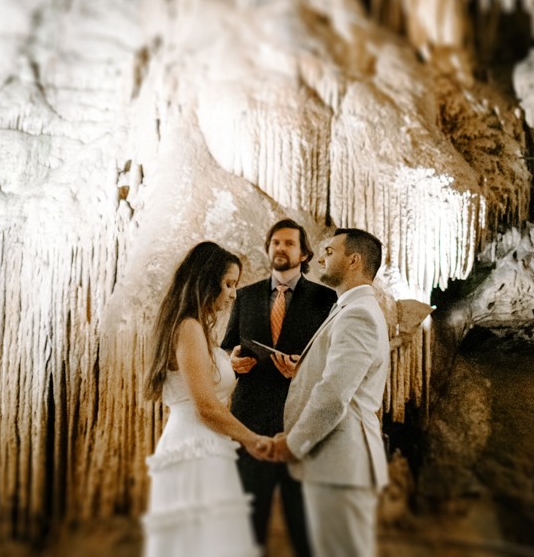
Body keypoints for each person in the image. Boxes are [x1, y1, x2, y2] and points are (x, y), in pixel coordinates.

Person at [142, 240, 271, 557]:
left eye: (235, 285)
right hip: (196, 448)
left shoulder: (191, 326)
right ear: (206, 280)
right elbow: (206, 407)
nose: (233, 294)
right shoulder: (188, 328)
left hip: (200, 446)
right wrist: (253, 440)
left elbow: (198, 380)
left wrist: (228, 364)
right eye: (228, 284)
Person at [270, 228, 390, 557]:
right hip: (336, 463)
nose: (321, 257)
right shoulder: (349, 309)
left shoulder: (358, 315)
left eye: (330, 251)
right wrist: (303, 370)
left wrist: (293, 444)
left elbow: (335, 395)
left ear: (354, 260)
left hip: (341, 461)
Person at [221, 219, 335, 555]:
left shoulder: (325, 298)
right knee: (249, 520)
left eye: (288, 243)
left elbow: (332, 359)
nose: (280, 249)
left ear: (304, 254)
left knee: (305, 521)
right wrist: (233, 360)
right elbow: (229, 345)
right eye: (274, 243)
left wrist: (304, 371)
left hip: (300, 421)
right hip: (249, 420)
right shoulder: (245, 295)